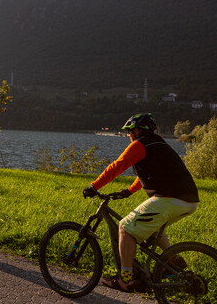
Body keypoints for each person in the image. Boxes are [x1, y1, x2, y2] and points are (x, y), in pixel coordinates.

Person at [83, 113, 199, 292]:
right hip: (189, 201)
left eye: (129, 133)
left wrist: (94, 186)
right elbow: (145, 176)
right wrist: (128, 191)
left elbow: (116, 167)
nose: (128, 136)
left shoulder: (139, 145)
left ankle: (125, 280)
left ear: (136, 131)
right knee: (152, 229)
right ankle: (172, 263)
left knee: (125, 228)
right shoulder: (160, 144)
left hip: (169, 199)